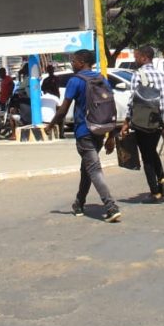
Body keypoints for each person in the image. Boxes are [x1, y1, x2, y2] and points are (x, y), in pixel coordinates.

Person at [48, 49, 121, 223]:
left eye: (73, 61)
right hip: (100, 130)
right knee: (86, 169)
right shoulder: (101, 79)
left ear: (81, 62)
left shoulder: (75, 81)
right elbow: (112, 106)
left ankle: (111, 207)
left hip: (84, 132)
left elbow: (64, 109)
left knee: (94, 169)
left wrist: (50, 125)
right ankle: (79, 203)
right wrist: (111, 135)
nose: (72, 64)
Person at [122, 45, 164, 203]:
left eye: (137, 57)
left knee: (147, 157)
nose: (135, 60)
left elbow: (132, 101)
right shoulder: (162, 75)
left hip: (142, 122)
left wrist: (126, 122)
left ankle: (155, 192)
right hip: (158, 122)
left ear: (144, 58)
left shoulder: (138, 75)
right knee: (151, 151)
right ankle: (162, 179)